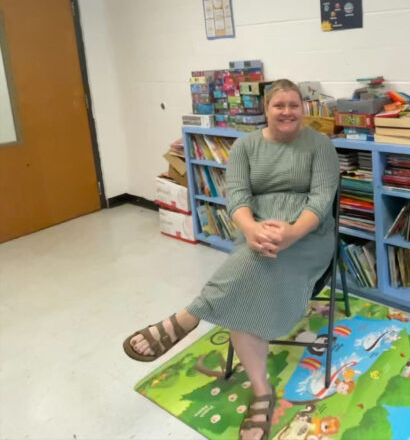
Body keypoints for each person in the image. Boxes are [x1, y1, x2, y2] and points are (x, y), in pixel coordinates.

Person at [123, 79, 340, 440]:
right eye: (279, 105)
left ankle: (188, 318)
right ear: (265, 110)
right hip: (256, 232)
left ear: (303, 108)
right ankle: (261, 391)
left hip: (308, 235)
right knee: (253, 268)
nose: (287, 112)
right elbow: (236, 195)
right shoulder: (245, 146)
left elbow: (320, 201)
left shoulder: (321, 146)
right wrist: (252, 229)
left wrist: (290, 234)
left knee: (250, 271)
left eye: (294, 105)